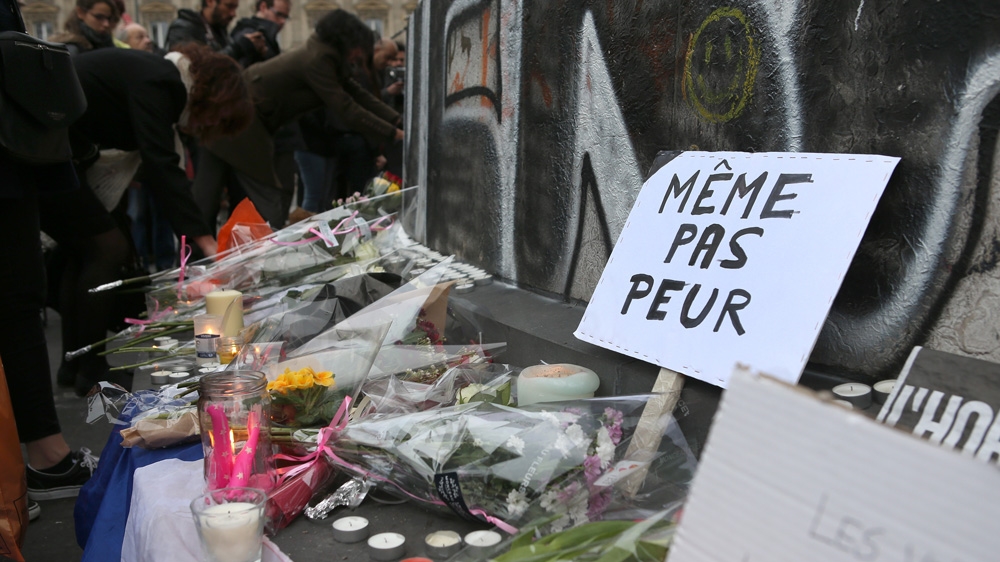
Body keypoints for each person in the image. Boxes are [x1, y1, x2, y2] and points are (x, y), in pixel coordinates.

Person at [48, 45, 253, 395]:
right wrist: (204, 240)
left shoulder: (156, 75)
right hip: (48, 149)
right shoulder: (162, 83)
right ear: (213, 95)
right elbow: (160, 162)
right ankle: (92, 366)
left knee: (81, 252)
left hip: (55, 146)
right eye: (217, 118)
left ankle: (75, 363)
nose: (207, 127)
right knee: (106, 249)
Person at [0, 0, 98, 507]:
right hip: (9, 151)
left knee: (20, 299)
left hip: (15, 150)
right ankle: (43, 457)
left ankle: (32, 460)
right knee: (17, 299)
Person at [193, 9, 403, 230]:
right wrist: (393, 133)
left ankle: (206, 247)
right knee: (268, 196)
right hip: (241, 119)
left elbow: (359, 95)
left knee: (211, 194)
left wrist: (397, 121)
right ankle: (255, 250)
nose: (359, 56)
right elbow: (347, 108)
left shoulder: (326, 56)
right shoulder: (317, 59)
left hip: (238, 116)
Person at [165, 0, 265, 60]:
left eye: (235, 8)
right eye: (229, 6)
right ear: (210, 1)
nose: (233, 14)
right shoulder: (183, 28)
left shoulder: (219, 30)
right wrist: (238, 47)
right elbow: (197, 67)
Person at [230, 0, 290, 67]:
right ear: (263, 7)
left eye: (285, 17)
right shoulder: (249, 32)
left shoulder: (269, 37)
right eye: (279, 14)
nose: (283, 21)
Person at [49, 0, 120, 55]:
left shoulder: (108, 44)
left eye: (109, 18)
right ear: (81, 13)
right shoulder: (71, 49)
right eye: (99, 17)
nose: (106, 24)